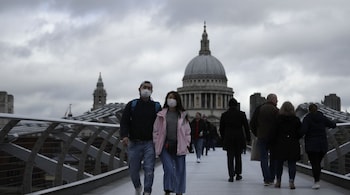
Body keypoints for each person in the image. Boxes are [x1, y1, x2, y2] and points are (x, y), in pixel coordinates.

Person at [120, 81, 161, 195]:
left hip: (149, 143)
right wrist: (124, 136)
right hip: (134, 142)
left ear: (152, 91)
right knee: (133, 169)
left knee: (149, 169)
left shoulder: (156, 106)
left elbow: (161, 125)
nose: (146, 90)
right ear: (139, 89)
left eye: (149, 88)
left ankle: (147, 191)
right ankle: (137, 186)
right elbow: (124, 122)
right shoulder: (132, 105)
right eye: (144, 87)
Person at [153, 91, 191, 195]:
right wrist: (157, 142)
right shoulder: (161, 114)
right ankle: (168, 189)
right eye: (169, 97)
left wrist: (187, 143)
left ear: (177, 100)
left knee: (180, 170)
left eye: (173, 98)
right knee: (168, 168)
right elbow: (156, 130)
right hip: (165, 145)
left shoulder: (183, 115)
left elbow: (187, 131)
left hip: (180, 145)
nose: (171, 100)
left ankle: (179, 191)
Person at [301, 103, 336, 189]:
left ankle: (316, 181)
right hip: (322, 145)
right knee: (318, 163)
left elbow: (303, 130)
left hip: (311, 145)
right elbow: (333, 125)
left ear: (309, 110)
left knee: (314, 163)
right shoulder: (322, 117)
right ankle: (317, 180)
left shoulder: (307, 118)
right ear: (317, 109)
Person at [270, 101, 302, 189]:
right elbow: (300, 132)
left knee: (279, 163)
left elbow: (273, 132)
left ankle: (278, 181)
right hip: (292, 144)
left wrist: (272, 143)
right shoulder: (296, 120)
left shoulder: (277, 119)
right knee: (292, 163)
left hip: (280, 144)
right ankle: (291, 181)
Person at [250, 93, 279, 186]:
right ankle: (271, 178)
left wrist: (257, 133)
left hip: (262, 136)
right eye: (276, 99)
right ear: (272, 100)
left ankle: (266, 179)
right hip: (273, 138)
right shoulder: (276, 110)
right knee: (274, 158)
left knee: (264, 158)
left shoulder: (259, 109)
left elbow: (252, 123)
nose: (277, 101)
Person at [219, 98, 251, 182]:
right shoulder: (241, 114)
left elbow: (221, 129)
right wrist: (248, 138)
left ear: (228, 105)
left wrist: (223, 137)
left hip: (228, 137)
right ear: (236, 105)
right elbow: (246, 127)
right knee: (238, 157)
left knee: (230, 157)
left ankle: (231, 175)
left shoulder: (224, 115)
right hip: (239, 137)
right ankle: (238, 174)